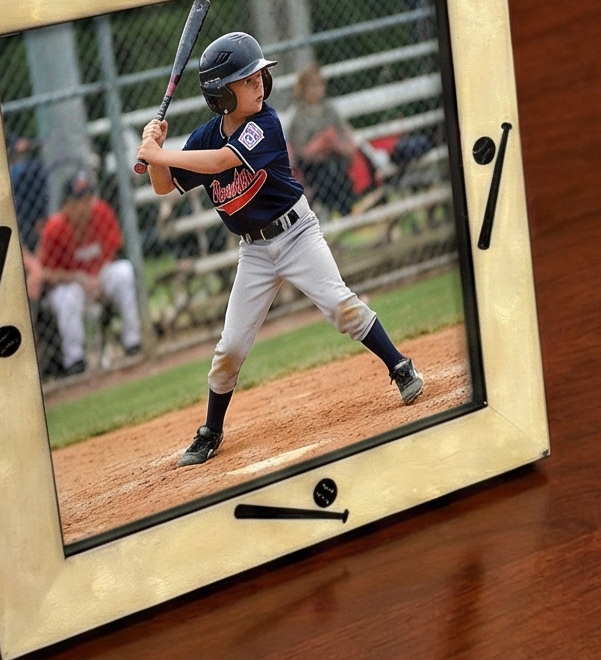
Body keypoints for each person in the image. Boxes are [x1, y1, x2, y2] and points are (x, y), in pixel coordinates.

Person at [136, 31, 423, 466]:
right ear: (221, 94)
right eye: (247, 79)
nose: (259, 84)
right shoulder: (201, 137)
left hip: (296, 234)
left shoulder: (266, 124)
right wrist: (155, 150)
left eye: (259, 77)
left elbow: (219, 163)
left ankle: (400, 366)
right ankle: (211, 431)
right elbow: (163, 187)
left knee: (340, 306)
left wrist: (162, 153)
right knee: (230, 348)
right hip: (253, 252)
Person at [36, 169, 141, 377]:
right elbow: (44, 272)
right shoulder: (54, 228)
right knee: (69, 296)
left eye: (88, 198)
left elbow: (111, 250)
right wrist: (78, 278)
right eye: (79, 201)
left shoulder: (101, 212)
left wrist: (95, 278)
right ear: (66, 205)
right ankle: (75, 360)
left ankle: (133, 341)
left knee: (124, 272)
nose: (86, 205)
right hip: (70, 286)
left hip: (99, 277)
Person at [288, 62, 359, 216]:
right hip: (313, 169)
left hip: (335, 160)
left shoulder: (329, 110)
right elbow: (301, 153)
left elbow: (345, 137)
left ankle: (346, 214)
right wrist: (321, 144)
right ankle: (336, 213)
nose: (318, 90)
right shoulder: (299, 117)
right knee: (328, 175)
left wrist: (335, 144)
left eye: (320, 85)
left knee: (337, 172)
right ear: (303, 89)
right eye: (312, 86)